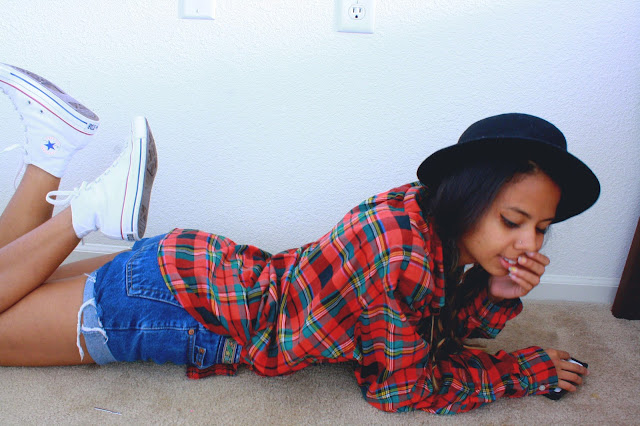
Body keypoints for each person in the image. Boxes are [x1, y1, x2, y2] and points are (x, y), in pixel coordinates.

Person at [0, 63, 599, 415]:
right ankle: (87, 212)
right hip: (176, 308)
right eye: (513, 220)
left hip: (186, 271)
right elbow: (401, 388)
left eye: (541, 227)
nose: (529, 243)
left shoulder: (416, 213)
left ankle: (51, 150)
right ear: (470, 197)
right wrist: (515, 372)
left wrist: (493, 293)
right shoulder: (404, 257)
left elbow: (426, 331)